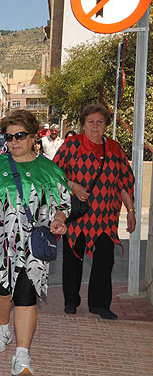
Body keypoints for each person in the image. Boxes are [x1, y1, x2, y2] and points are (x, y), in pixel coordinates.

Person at [0, 110, 70, 376]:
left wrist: (59, 220)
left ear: (33, 137)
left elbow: (63, 204)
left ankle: (22, 354)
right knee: (1, 291)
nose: (13, 142)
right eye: (9, 137)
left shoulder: (49, 170)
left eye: (19, 136)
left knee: (26, 294)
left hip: (33, 244)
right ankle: (2, 328)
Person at [53, 104, 135, 320]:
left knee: (105, 259)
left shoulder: (114, 149)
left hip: (106, 217)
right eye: (91, 122)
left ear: (106, 125)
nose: (95, 126)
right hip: (77, 215)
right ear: (83, 125)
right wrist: (73, 186)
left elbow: (125, 182)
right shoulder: (72, 145)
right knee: (73, 257)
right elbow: (54, 173)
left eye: (100, 122)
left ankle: (100, 304)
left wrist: (131, 210)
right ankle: (71, 301)